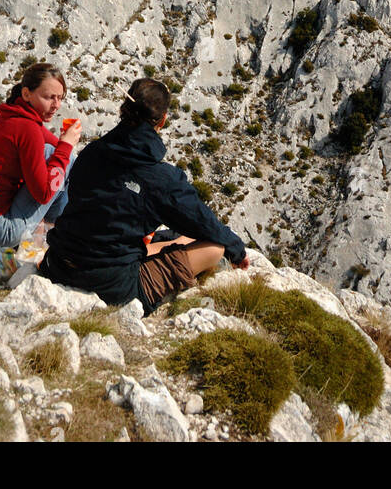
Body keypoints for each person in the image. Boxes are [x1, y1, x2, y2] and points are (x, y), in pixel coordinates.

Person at [40, 78, 248, 313]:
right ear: (163, 120)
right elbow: (202, 221)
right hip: (112, 286)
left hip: (57, 263)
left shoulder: (91, 153)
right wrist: (236, 249)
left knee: (170, 237)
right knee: (214, 248)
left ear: (123, 110)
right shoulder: (161, 179)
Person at [0, 63, 81, 252]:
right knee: (65, 160)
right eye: (49, 97)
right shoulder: (29, 129)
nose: (56, 105)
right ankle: (51, 233)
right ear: (27, 94)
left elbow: (50, 144)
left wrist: (63, 145)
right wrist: (66, 146)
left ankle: (47, 227)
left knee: (57, 155)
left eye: (60, 98)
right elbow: (44, 194)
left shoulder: (14, 115)